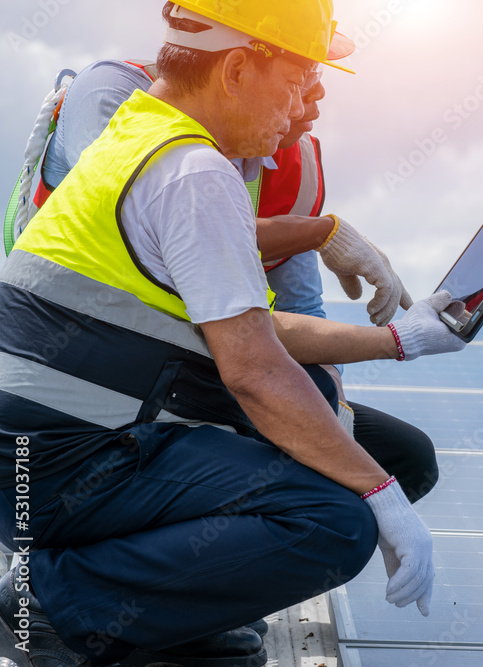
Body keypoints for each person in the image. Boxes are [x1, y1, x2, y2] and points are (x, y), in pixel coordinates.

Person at [0, 2, 464, 666]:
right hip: (59, 467)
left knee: (356, 453)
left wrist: (402, 340)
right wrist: (380, 494)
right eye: (299, 77)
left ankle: (159, 606)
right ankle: (52, 600)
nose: (305, 103)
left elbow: (251, 327)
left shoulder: (142, 135)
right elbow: (254, 370)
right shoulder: (192, 170)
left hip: (36, 457)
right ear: (239, 67)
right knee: (330, 521)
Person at [25, 48, 439, 504]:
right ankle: (54, 566)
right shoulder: (115, 94)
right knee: (329, 507)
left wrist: (331, 402)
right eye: (299, 74)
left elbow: (294, 308)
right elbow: (152, 224)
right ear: (240, 64)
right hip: (83, 357)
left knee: (397, 456)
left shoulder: (293, 166)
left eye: (316, 74)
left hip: (198, 360)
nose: (312, 97)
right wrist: (319, 234)